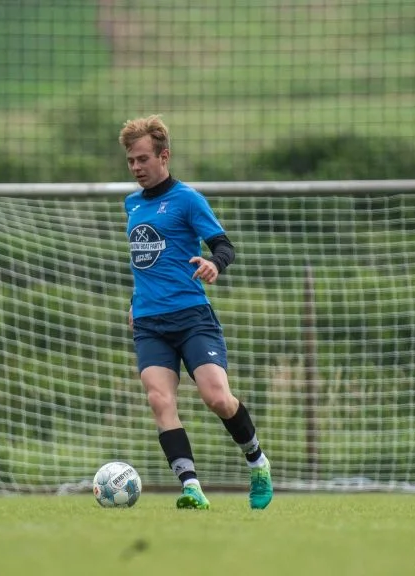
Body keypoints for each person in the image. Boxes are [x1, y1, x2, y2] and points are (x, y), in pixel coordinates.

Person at [119, 115, 272, 510]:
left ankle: (257, 461)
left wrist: (214, 265)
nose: (136, 167)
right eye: (131, 161)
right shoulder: (132, 204)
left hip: (191, 316)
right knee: (159, 401)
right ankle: (191, 487)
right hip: (150, 323)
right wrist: (136, 301)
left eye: (142, 159)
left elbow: (224, 246)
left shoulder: (187, 199)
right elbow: (146, 263)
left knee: (217, 398)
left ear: (164, 155)